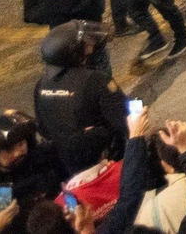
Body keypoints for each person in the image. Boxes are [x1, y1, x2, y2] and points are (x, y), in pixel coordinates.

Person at [33, 20, 126, 170]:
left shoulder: (41, 85)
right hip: (103, 162)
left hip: (66, 165)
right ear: (73, 54)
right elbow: (124, 120)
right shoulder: (96, 80)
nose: (90, 46)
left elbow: (43, 129)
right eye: (85, 45)